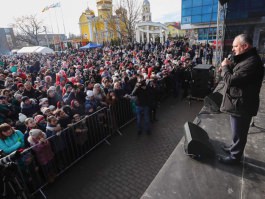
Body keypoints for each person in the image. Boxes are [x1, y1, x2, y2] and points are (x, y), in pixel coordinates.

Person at [218, 34, 264, 165]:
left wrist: (226, 67)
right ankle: (232, 148)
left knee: (239, 133)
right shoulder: (247, 59)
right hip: (238, 103)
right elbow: (238, 74)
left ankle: (234, 158)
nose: (233, 49)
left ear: (245, 46)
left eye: (235, 46)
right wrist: (230, 66)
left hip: (243, 105)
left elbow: (231, 80)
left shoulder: (252, 62)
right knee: (236, 131)